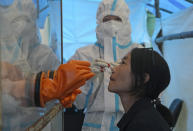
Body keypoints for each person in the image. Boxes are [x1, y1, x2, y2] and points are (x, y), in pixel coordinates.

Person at [0, 0, 94, 130]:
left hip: (39, 124)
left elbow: (70, 95)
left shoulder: (43, 54)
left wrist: (61, 89)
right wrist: (42, 88)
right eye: (15, 22)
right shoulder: (6, 51)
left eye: (27, 21)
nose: (21, 27)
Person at [71, 0, 143, 130]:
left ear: (126, 21)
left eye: (117, 19)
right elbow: (78, 103)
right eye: (107, 19)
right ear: (99, 22)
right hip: (95, 125)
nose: (111, 24)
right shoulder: (84, 55)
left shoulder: (139, 54)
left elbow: (153, 95)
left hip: (133, 123)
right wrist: (90, 80)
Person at [108, 48, 173, 131]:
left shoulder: (142, 125)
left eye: (123, 63)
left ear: (142, 78)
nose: (113, 69)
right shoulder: (142, 116)